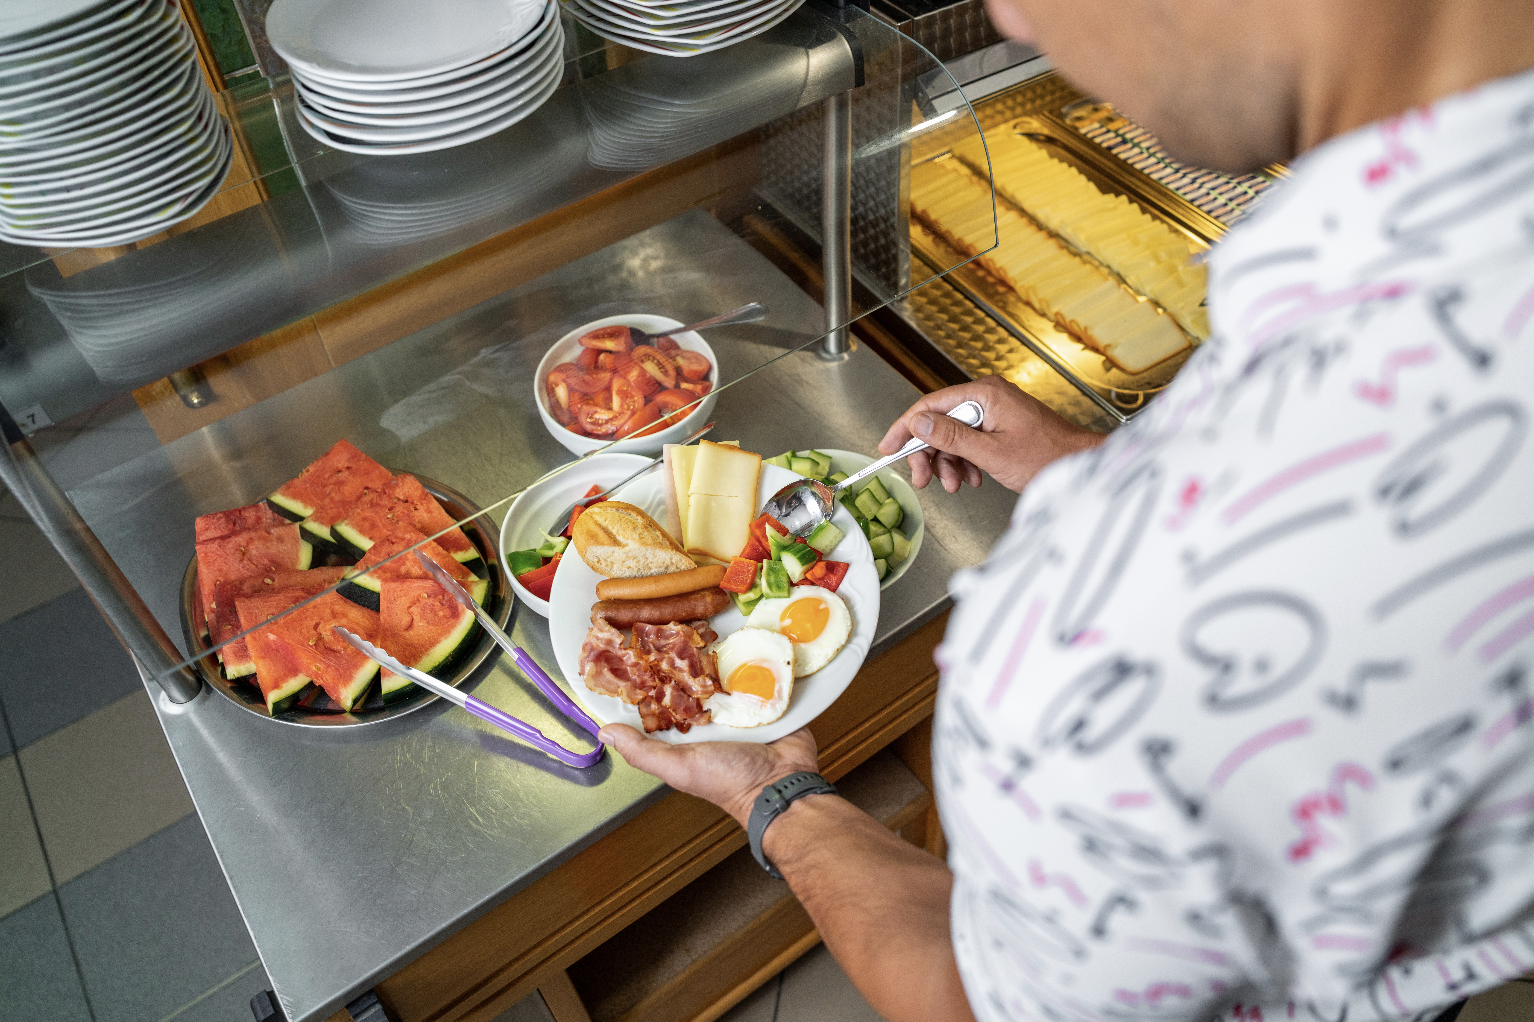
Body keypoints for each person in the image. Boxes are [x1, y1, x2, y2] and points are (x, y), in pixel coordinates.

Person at [597, 0, 1534, 1018]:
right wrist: (1105, 468)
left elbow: (971, 998)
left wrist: (773, 792)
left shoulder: (1104, 644)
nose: (1009, 14)